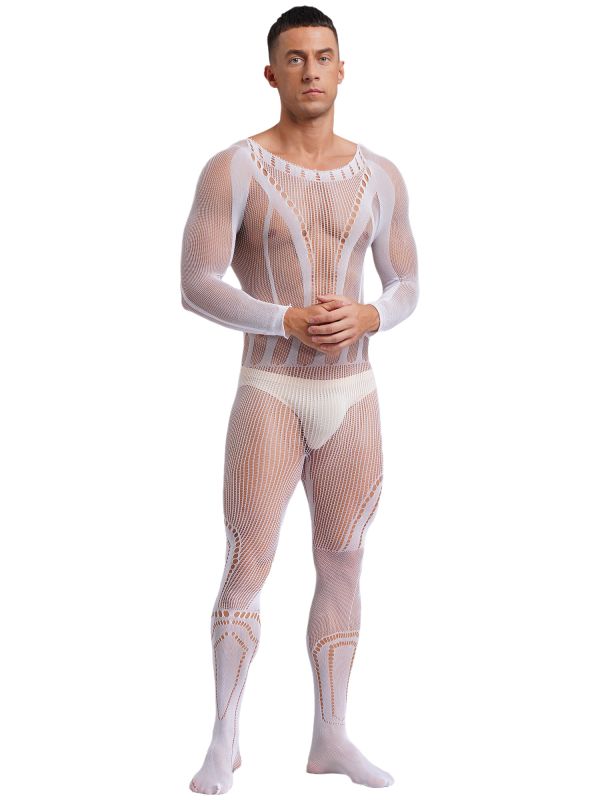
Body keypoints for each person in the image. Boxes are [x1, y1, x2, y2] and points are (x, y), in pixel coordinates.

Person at [180, 6, 419, 793]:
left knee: (344, 560)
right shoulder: (233, 168)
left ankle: (331, 736)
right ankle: (224, 738)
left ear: (342, 70)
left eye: (323, 57)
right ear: (271, 72)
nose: (311, 70)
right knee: (248, 559)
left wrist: (372, 315)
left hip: (354, 394)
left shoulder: (381, 176)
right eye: (295, 58)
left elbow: (407, 281)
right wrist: (281, 318)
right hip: (271, 390)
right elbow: (195, 283)